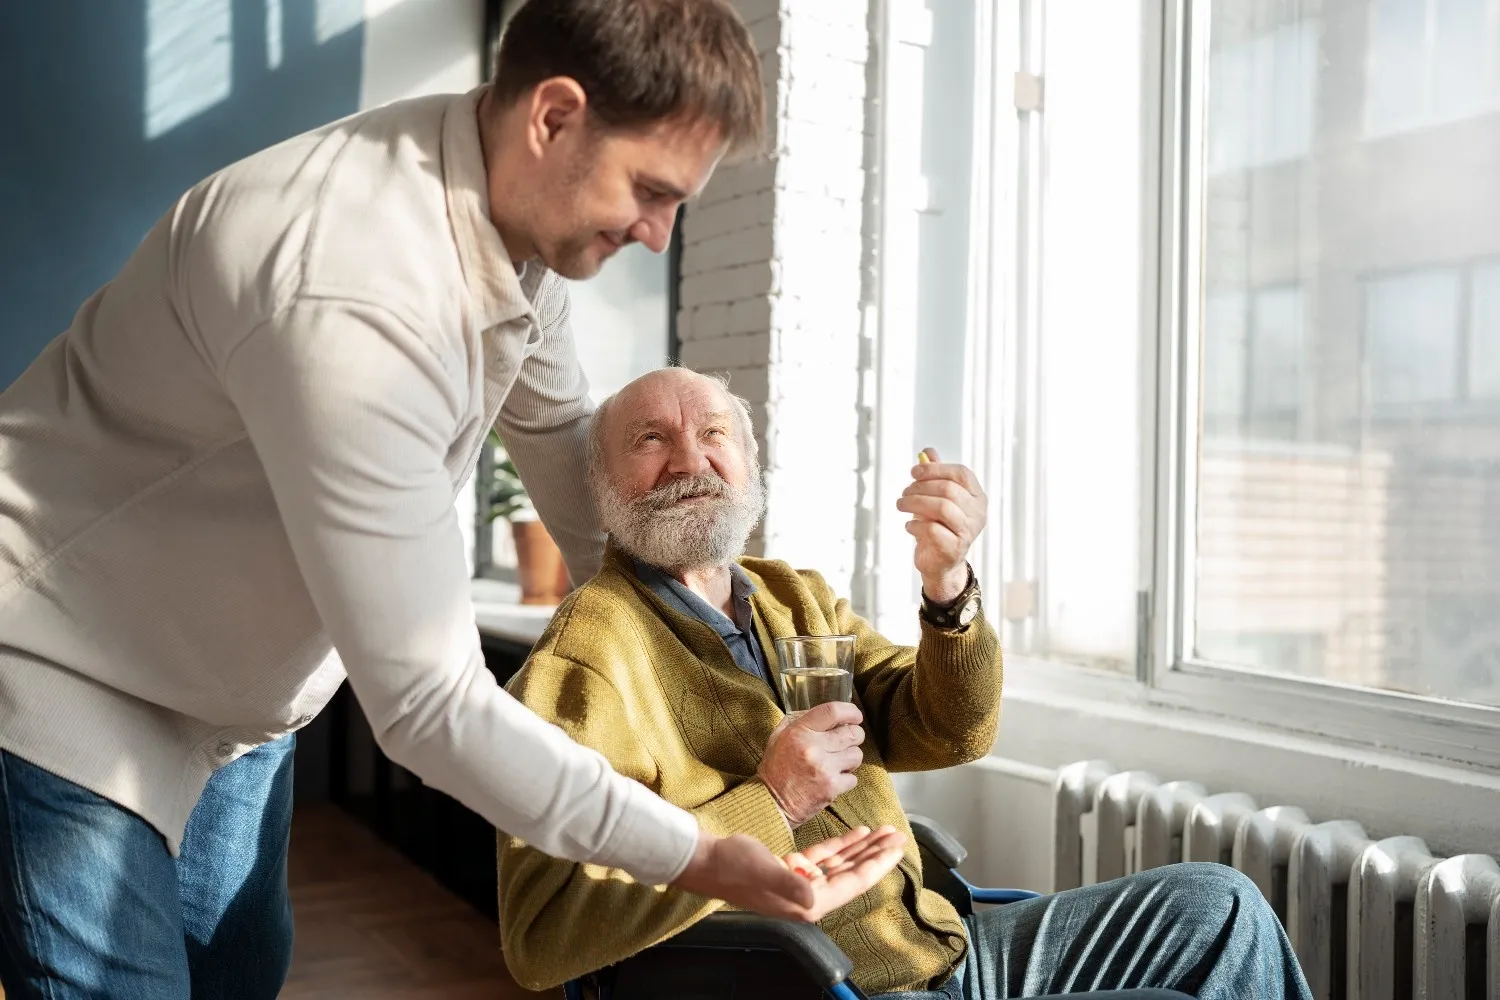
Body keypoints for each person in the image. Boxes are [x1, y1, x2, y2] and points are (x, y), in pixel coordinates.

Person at [0, 2, 904, 998]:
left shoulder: (502, 211)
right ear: (554, 117)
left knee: (238, 980)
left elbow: (564, 445)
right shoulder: (351, 291)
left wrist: (701, 650)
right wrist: (698, 846)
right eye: (650, 190)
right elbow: (428, 704)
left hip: (227, 706)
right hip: (68, 660)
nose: (658, 234)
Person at [495, 367, 1316, 999]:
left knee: (1222, 903)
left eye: (713, 433)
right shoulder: (590, 653)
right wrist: (773, 803)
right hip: (831, 983)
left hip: (938, 942)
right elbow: (542, 933)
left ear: (746, 464)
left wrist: (948, 586)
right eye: (649, 440)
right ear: (603, 490)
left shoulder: (791, 596)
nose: (689, 459)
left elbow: (948, 728)